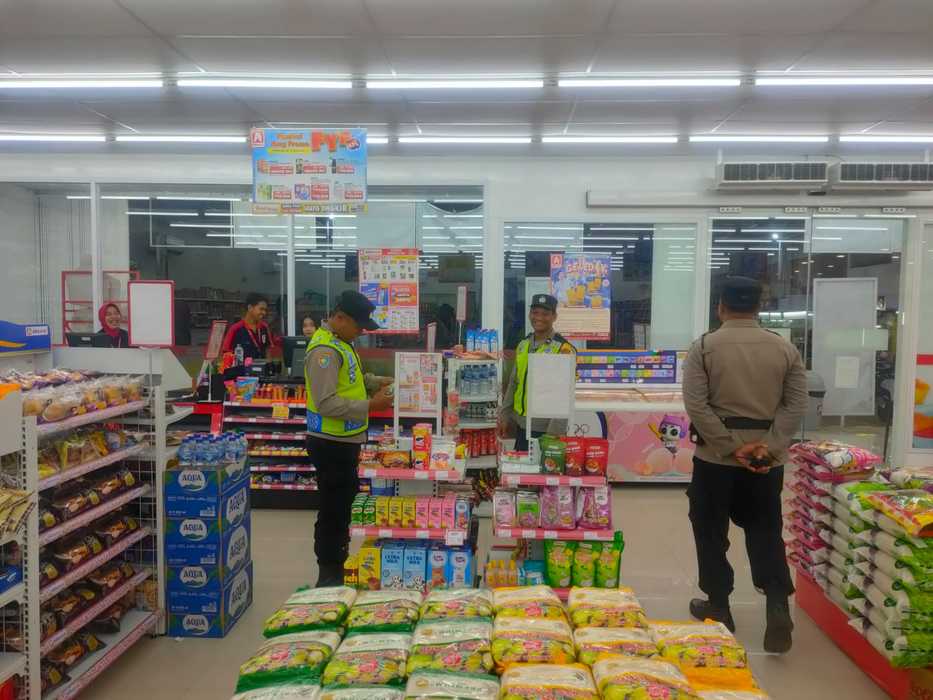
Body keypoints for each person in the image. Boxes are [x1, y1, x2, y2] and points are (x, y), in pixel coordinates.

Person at [682, 276, 807, 654]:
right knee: (766, 530)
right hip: (765, 463)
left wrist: (728, 447)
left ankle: (719, 606)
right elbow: (795, 404)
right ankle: (777, 605)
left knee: (709, 530)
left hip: (714, 460)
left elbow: (696, 405)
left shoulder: (704, 347)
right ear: (758, 308)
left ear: (721, 307)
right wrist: (769, 447)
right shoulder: (784, 349)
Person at [305, 290, 394, 586]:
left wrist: (374, 381)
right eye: (359, 326)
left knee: (342, 507)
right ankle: (328, 576)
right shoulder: (325, 352)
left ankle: (336, 567)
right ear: (340, 318)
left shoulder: (342, 343)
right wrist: (371, 406)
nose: (361, 332)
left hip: (344, 441)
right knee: (333, 511)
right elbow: (326, 403)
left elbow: (350, 379)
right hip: (330, 443)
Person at [497, 294, 576, 451]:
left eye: (545, 314)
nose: (539, 318)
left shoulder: (563, 349)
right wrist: (504, 416)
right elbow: (514, 382)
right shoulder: (523, 345)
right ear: (529, 315)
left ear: (554, 317)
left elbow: (565, 395)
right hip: (521, 425)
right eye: (535, 312)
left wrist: (554, 434)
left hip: (546, 430)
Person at [221, 292, 276, 363]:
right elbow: (226, 353)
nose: (264, 313)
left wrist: (269, 366)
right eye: (261, 309)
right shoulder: (235, 329)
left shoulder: (264, 327)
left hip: (261, 368)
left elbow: (268, 349)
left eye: (265, 310)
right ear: (250, 308)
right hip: (242, 369)